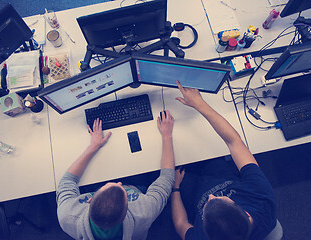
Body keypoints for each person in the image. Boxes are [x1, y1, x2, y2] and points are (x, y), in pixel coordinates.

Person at [171, 81, 276, 240]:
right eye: (218, 200)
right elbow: (234, 142)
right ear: (246, 214)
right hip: (220, 175)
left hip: (192, 192)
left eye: (208, 205)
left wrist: (175, 188)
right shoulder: (263, 200)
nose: (211, 197)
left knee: (164, 171)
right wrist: (199, 104)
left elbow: (181, 224)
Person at [56, 111, 175, 240]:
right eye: (122, 189)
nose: (119, 183)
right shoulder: (144, 211)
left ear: (90, 201)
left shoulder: (67, 216)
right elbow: (167, 177)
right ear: (128, 208)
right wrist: (166, 135)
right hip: (136, 186)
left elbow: (67, 180)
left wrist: (93, 146)